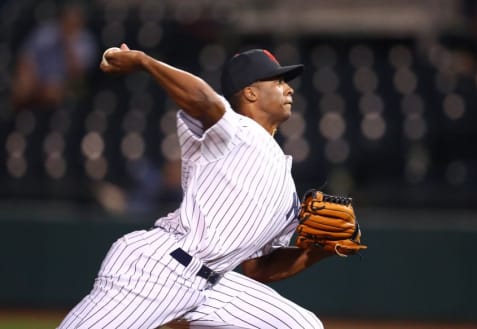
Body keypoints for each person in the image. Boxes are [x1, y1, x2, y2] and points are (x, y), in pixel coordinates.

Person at [58, 43, 333, 329]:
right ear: (250, 92)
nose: (288, 89)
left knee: (302, 326)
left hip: (214, 284)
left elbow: (258, 267)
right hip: (160, 269)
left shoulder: (287, 187)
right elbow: (204, 102)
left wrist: (319, 250)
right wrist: (143, 61)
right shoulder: (235, 131)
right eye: (277, 82)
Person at [11, 3, 96, 111]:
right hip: (38, 77)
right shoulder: (46, 32)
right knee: (21, 87)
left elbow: (77, 73)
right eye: (67, 20)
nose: (69, 25)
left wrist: (67, 44)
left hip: (67, 83)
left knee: (53, 91)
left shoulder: (86, 41)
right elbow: (26, 57)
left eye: (73, 22)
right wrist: (28, 76)